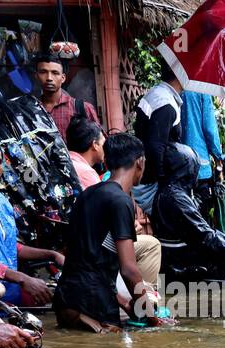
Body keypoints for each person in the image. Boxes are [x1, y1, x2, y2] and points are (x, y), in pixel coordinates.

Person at [53, 133, 161, 333]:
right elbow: (129, 270)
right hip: (95, 306)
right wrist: (152, 317)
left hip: (66, 300)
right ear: (140, 162)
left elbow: (86, 258)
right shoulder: (120, 201)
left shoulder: (87, 195)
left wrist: (126, 304)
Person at [152, 143, 225, 283]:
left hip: (176, 264)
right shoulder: (176, 199)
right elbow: (206, 237)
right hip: (184, 268)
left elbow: (206, 232)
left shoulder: (170, 193)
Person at [0, 141, 63, 307]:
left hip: (8, 298)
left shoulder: (1, 201)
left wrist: (51, 254)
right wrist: (22, 277)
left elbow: (9, 246)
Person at [131, 63, 184, 215]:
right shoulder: (165, 103)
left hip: (146, 175)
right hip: (152, 183)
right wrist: (163, 183)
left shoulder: (157, 93)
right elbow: (156, 146)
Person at [30, 53, 99, 141]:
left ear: (63, 78)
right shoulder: (31, 109)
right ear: (36, 76)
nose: (49, 78)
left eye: (55, 73)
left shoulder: (82, 108)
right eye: (43, 72)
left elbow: (99, 143)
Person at [180, 90, 225, 217]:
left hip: (178, 167)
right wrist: (218, 158)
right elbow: (209, 128)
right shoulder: (201, 90)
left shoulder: (175, 89)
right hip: (201, 166)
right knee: (202, 219)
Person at [66, 116, 105, 190]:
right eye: (103, 143)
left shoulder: (64, 162)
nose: (105, 148)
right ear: (95, 145)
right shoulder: (86, 174)